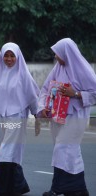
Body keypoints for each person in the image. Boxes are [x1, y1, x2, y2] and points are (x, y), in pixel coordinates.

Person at [38, 38, 95, 196]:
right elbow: (45, 88)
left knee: (62, 148)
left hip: (76, 116)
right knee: (69, 151)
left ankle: (57, 189)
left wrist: (75, 94)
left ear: (67, 53)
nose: (56, 57)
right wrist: (43, 107)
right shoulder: (58, 68)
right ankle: (78, 189)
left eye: (58, 54)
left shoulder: (84, 69)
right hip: (57, 115)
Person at [0, 42, 40, 196]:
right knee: (10, 151)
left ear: (17, 57)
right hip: (0, 115)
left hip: (17, 116)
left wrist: (37, 115)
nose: (8, 59)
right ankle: (17, 187)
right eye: (6, 56)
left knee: (6, 151)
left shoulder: (23, 74)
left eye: (12, 56)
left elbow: (32, 97)